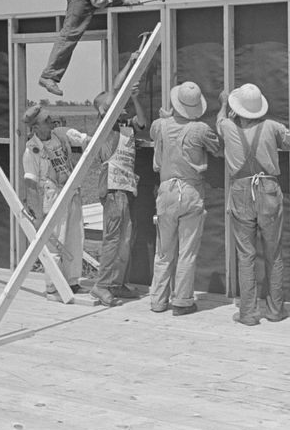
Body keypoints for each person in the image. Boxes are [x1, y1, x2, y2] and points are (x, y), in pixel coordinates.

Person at [216, 84, 290, 326]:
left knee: (245, 255)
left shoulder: (228, 126)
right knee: (273, 253)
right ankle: (274, 310)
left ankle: (249, 313)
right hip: (269, 189)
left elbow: (219, 119)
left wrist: (223, 103)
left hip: (241, 190)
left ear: (237, 108)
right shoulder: (272, 127)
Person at [64, 57, 148, 307]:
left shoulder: (125, 125)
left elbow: (142, 122)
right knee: (113, 239)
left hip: (126, 187)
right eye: (115, 104)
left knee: (125, 238)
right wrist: (131, 64)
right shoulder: (107, 125)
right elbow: (114, 92)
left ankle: (116, 283)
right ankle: (101, 286)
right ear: (103, 110)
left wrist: (134, 98)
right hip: (113, 188)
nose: (120, 105)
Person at [147, 81, 224, 316]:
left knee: (164, 251)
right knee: (187, 252)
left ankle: (158, 301)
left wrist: (167, 117)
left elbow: (156, 130)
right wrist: (222, 112)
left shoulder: (159, 125)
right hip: (189, 190)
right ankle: (181, 301)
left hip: (166, 190)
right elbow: (219, 149)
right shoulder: (200, 129)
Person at [21, 105, 85, 301]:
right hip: (51, 195)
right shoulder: (32, 149)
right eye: (47, 120)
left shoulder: (58, 136)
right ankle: (52, 286)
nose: (52, 122)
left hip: (70, 191)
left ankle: (72, 281)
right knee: (55, 244)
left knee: (75, 238)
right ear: (36, 127)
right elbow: (31, 184)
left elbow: (77, 141)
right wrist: (38, 214)